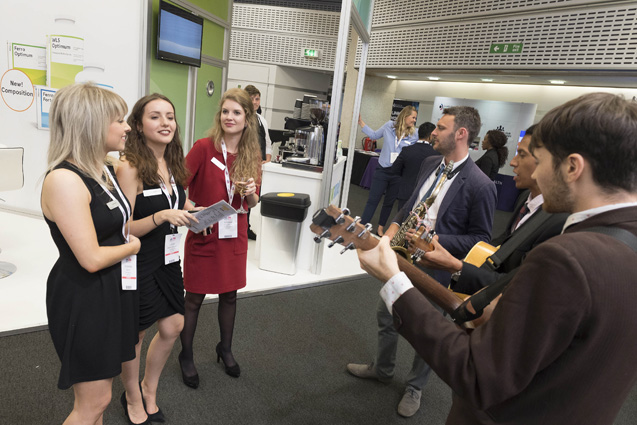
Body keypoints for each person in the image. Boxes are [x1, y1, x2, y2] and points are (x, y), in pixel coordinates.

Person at [357, 92, 637, 425]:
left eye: (540, 159)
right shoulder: (617, 242)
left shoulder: (565, 259)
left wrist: (394, 281)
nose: (531, 172)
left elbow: (478, 374)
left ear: (572, 167)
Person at [347, 106, 496, 418]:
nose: (433, 132)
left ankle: (415, 387)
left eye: (441, 128)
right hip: (401, 259)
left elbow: (479, 238)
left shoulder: (481, 184)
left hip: (436, 271)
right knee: (386, 314)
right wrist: (389, 236)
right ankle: (383, 369)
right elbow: (409, 207)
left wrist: (434, 240)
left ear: (461, 134)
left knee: (428, 333)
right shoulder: (430, 162)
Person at [41, 82, 141, 424]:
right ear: (92, 124)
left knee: (99, 398)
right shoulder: (64, 180)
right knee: (94, 402)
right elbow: (91, 258)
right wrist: (133, 247)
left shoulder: (102, 171)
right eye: (119, 120)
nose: (127, 127)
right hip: (84, 296)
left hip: (109, 289)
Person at [116, 94, 201, 424]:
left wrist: (192, 211)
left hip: (168, 257)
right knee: (136, 335)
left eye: (170, 116)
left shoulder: (174, 162)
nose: (165, 123)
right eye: (155, 117)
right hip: (137, 260)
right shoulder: (129, 166)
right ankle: (132, 396)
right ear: (138, 125)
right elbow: (123, 226)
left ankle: (148, 388)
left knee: (173, 325)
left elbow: (175, 200)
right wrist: (161, 216)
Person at [416, 124, 567, 296]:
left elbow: (521, 286)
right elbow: (503, 245)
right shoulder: (525, 199)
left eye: (522, 154)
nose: (513, 162)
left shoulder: (560, 222)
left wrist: (455, 266)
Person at [178, 88, 262, 385]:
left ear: (247, 119)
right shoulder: (204, 148)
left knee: (229, 295)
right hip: (205, 231)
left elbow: (253, 203)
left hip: (234, 233)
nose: (229, 117)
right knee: (194, 298)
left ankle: (224, 349)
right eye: (225, 111)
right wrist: (192, 211)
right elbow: (176, 185)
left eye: (236, 112)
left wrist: (251, 193)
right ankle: (186, 355)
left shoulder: (252, 155)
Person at [359, 106, 419, 236]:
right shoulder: (389, 126)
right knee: (373, 200)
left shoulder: (415, 134)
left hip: (399, 173)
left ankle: (380, 228)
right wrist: (361, 123)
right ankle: (362, 225)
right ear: (405, 116)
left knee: (389, 203)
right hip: (383, 170)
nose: (414, 120)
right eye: (413, 117)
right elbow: (374, 135)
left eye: (415, 118)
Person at [243, 85, 272, 241]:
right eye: (251, 98)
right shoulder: (242, 118)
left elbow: (267, 141)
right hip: (244, 162)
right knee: (243, 194)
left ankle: (246, 227)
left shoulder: (262, 120)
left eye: (257, 99)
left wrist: (267, 159)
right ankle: (243, 227)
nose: (255, 102)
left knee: (253, 196)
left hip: (257, 165)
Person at [389, 122, 436, 211]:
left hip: (406, 192)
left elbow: (395, 169)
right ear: (430, 136)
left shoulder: (407, 150)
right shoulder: (436, 154)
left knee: (401, 217)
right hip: (425, 195)